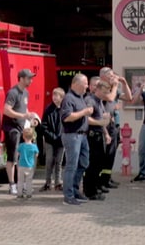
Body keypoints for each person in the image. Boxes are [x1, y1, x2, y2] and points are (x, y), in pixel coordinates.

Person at [2, 68, 37, 195]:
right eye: (29, 78)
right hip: (12, 128)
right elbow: (6, 110)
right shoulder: (13, 92)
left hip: (22, 127)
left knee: (22, 156)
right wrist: (22, 116)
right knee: (12, 157)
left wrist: (29, 117)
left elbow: (24, 109)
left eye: (31, 78)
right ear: (21, 79)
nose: (31, 80)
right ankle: (12, 185)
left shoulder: (26, 93)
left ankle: (21, 183)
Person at [60, 73, 93, 206]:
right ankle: (68, 196)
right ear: (77, 84)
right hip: (72, 135)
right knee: (71, 166)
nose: (87, 86)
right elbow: (67, 117)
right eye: (85, 83)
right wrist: (84, 112)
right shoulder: (68, 98)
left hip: (82, 135)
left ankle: (74, 189)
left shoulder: (81, 98)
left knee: (83, 163)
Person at [98, 67, 131, 189]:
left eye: (113, 75)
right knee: (105, 154)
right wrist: (115, 86)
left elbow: (129, 98)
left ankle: (107, 178)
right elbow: (110, 98)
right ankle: (102, 180)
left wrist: (124, 83)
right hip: (105, 126)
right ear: (103, 77)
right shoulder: (102, 88)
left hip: (115, 125)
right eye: (110, 76)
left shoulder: (114, 89)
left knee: (111, 154)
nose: (113, 78)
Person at [83, 80, 112, 200]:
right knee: (92, 165)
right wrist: (99, 122)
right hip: (92, 136)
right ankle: (90, 191)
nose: (106, 95)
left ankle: (95, 188)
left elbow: (102, 119)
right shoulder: (90, 100)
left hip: (99, 135)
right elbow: (86, 118)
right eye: (104, 92)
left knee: (98, 164)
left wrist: (106, 133)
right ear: (98, 90)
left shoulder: (99, 102)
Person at [40, 87, 65, 192]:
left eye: (57, 96)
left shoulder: (64, 109)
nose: (54, 98)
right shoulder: (48, 109)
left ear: (61, 97)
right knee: (49, 161)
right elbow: (44, 126)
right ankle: (47, 182)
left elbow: (66, 124)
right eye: (53, 96)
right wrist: (51, 136)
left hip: (61, 140)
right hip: (50, 140)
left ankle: (58, 182)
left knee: (59, 161)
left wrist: (62, 136)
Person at [16, 127, 39, 199]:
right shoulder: (34, 146)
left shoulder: (21, 146)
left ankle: (19, 194)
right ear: (32, 137)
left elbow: (18, 153)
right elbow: (36, 155)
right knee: (29, 180)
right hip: (30, 166)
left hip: (21, 166)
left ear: (23, 136)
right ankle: (29, 194)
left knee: (20, 181)